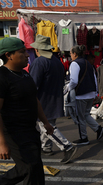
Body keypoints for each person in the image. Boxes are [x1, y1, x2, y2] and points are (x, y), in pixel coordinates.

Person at [0, 37, 57, 185]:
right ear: (9, 55)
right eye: (22, 52)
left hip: (29, 129)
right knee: (32, 168)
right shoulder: (0, 77)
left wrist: (46, 123)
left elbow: (35, 100)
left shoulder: (25, 74)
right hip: (11, 133)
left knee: (30, 167)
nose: (27, 55)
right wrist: (1, 142)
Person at [29, 35, 77, 164]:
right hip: (55, 98)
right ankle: (46, 147)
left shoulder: (39, 62)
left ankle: (67, 146)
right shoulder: (57, 61)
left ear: (37, 49)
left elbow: (33, 85)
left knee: (45, 125)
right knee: (49, 124)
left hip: (42, 99)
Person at [67, 45, 103, 145]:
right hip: (91, 93)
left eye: (71, 53)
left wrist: (67, 89)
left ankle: (84, 138)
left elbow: (74, 81)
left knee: (81, 117)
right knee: (85, 114)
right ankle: (98, 129)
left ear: (75, 54)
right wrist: (96, 92)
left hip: (81, 94)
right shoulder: (87, 62)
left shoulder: (75, 64)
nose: (70, 55)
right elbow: (94, 78)